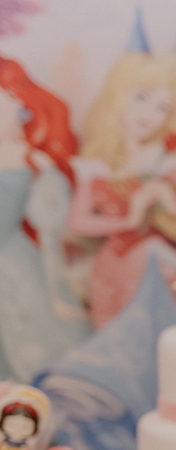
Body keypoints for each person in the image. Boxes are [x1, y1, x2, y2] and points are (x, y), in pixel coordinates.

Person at [66, 53, 176, 328]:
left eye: (162, 107)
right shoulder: (95, 163)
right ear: (117, 96)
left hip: (152, 258)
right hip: (110, 265)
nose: (150, 114)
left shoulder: (159, 158)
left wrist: (171, 205)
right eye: (141, 98)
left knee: (157, 328)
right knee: (115, 329)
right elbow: (77, 221)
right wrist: (127, 221)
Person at [0, 55, 90, 383]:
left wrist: (57, 293)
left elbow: (52, 235)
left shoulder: (32, 161)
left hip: (14, 270)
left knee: (27, 359)